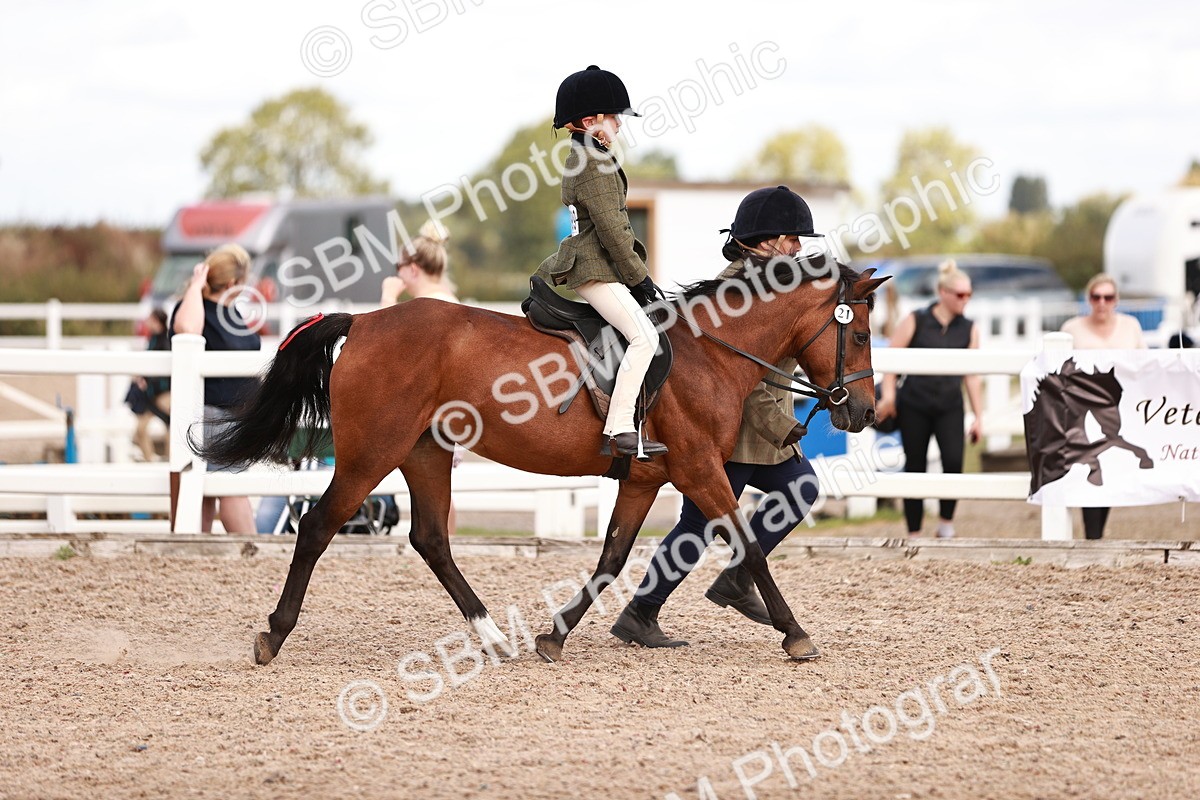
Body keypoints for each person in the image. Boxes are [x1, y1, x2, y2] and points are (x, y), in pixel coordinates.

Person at [609, 186, 823, 648]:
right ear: (766, 242)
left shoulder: (775, 285)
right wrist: (783, 426)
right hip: (732, 428)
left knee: (796, 488)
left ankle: (720, 585)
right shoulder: (737, 290)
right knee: (698, 523)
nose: (800, 250)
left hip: (761, 430)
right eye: (793, 240)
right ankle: (646, 610)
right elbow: (738, 381)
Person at [534, 65, 665, 460]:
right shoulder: (594, 164)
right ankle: (621, 428)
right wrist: (639, 278)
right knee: (646, 338)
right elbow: (613, 230)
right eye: (614, 118)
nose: (620, 126)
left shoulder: (587, 156)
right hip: (596, 270)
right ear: (591, 121)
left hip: (595, 268)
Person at [876, 259, 983, 539]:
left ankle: (946, 524)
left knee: (953, 462)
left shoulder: (969, 328)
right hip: (915, 403)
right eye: (960, 294)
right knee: (915, 464)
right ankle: (914, 531)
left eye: (969, 294)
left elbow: (971, 375)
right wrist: (889, 397)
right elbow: (891, 360)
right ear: (943, 292)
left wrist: (979, 416)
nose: (965, 300)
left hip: (950, 404)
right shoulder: (917, 319)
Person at [171, 243, 261, 534]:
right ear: (234, 282)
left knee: (212, 490)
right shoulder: (195, 308)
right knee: (231, 488)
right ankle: (253, 552)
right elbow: (186, 330)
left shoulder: (231, 313)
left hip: (237, 415)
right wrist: (196, 288)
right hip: (213, 414)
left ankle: (200, 547)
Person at [1060, 273, 1146, 539]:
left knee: (1111, 466)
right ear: (1089, 299)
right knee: (1090, 462)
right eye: (1096, 297)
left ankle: (1096, 534)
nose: (1101, 303)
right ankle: (1092, 535)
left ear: (1116, 300)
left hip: (1118, 408)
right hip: (1082, 409)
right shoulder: (1071, 329)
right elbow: (1059, 370)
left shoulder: (1130, 326)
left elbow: (1145, 365)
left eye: (1107, 297)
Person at [126, 308, 171, 461]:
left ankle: (171, 462)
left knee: (173, 426)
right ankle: (150, 460)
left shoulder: (165, 341)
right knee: (140, 429)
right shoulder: (153, 339)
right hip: (151, 395)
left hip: (163, 393)